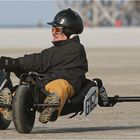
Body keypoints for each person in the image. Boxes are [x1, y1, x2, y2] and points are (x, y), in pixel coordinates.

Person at [0, 8, 109, 123]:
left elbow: (40, 61)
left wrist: (12, 63)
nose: (53, 32)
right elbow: (39, 63)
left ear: (68, 31)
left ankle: (52, 105)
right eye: (52, 29)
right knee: (27, 86)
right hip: (45, 85)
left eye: (57, 29)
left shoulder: (74, 48)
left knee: (59, 86)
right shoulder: (58, 49)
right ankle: (8, 105)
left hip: (65, 85)